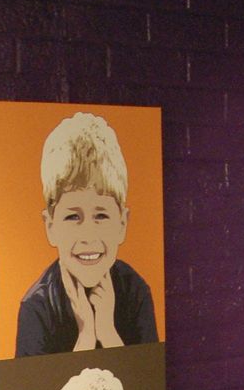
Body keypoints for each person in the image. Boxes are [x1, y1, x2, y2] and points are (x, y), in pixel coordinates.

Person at [16, 112, 158, 357]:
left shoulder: (135, 289)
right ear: (50, 226)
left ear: (122, 223)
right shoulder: (36, 307)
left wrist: (107, 331)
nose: (88, 236)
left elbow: (146, 383)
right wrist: (86, 336)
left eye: (101, 216)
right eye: (73, 217)